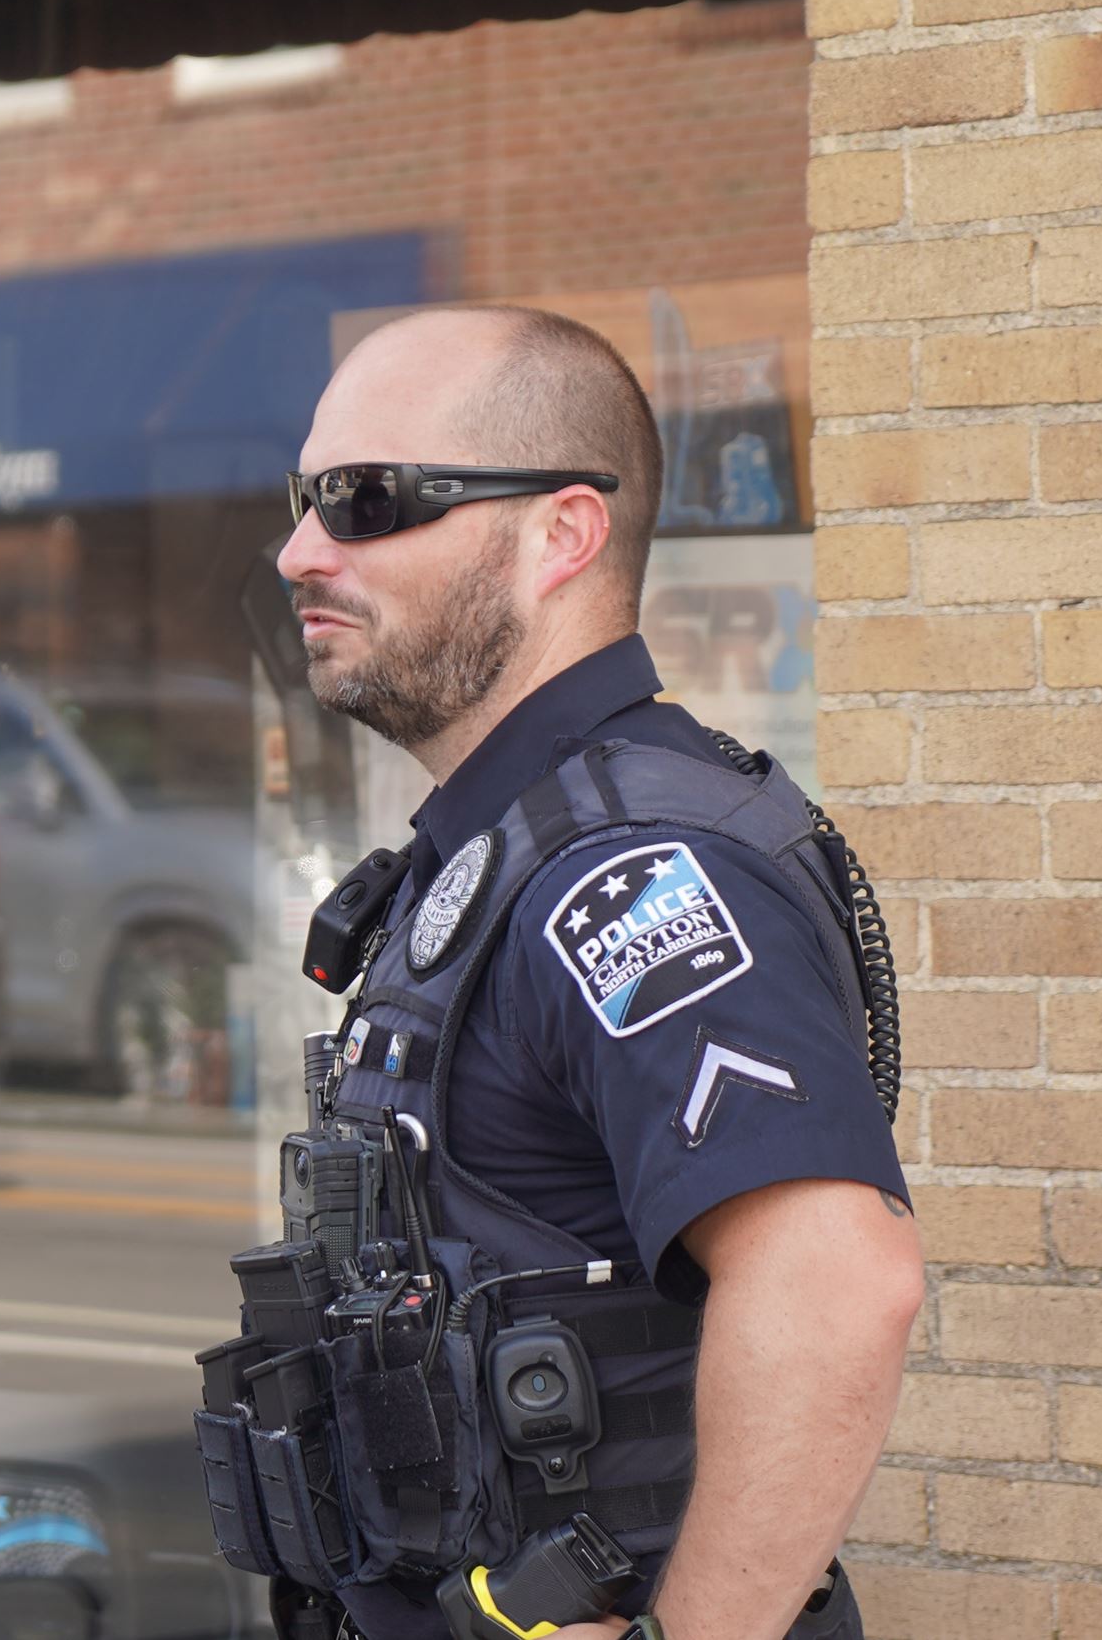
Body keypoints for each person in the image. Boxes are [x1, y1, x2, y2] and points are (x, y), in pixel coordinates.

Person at [223, 307, 920, 1640]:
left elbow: (837, 1280)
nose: (301, 550)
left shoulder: (635, 871)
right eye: (302, 500)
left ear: (561, 533)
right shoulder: (493, 849)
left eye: (367, 499)